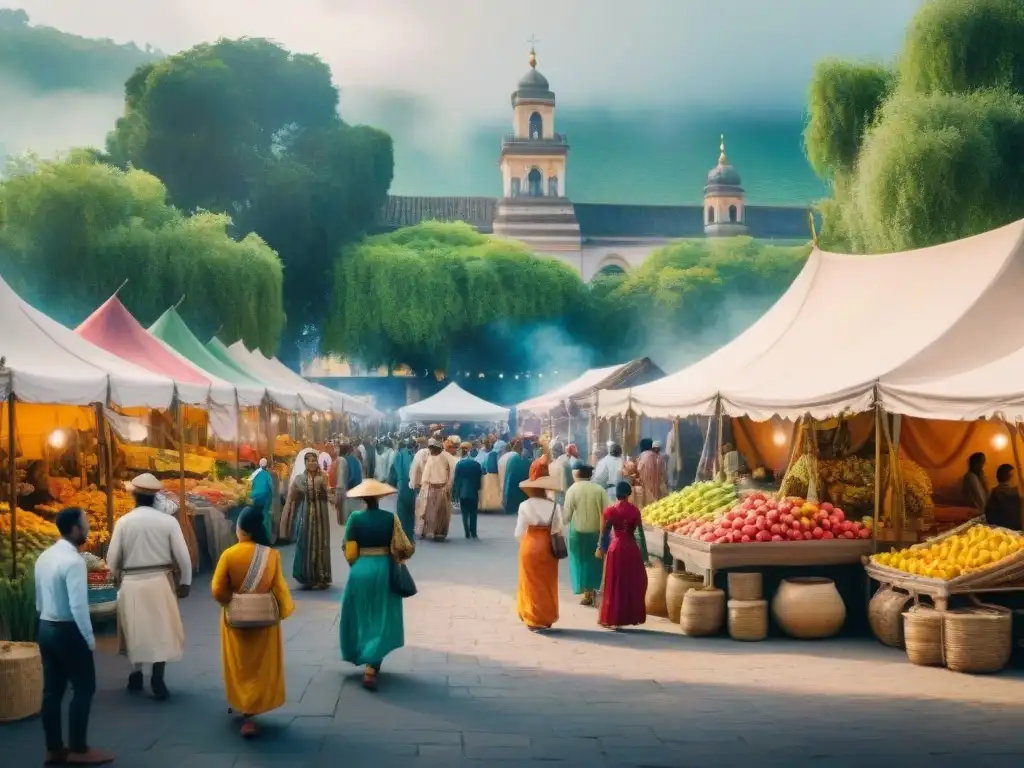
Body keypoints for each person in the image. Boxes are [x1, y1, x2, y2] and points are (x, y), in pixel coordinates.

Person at [36, 507, 114, 766]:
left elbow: (39, 600)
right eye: (85, 524)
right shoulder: (74, 561)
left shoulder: (44, 557)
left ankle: (54, 747)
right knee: (83, 688)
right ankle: (79, 749)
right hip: (68, 629)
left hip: (46, 625)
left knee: (52, 691)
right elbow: (79, 606)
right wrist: (89, 639)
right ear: (75, 529)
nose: (89, 528)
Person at [211, 506, 295, 738]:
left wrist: (233, 601)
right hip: (265, 622)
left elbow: (218, 590)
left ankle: (244, 708)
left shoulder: (229, 554)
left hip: (236, 621)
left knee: (239, 664)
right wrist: (283, 611)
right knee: (260, 665)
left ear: (242, 530)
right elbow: (280, 590)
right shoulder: (271, 555)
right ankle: (254, 707)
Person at [106, 473, 192, 701]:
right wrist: (186, 581)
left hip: (132, 582)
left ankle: (135, 674)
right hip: (160, 582)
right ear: (156, 497)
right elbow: (183, 556)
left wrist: (116, 578)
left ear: (134, 496)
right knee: (160, 629)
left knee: (135, 628)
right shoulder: (168, 522)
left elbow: (112, 559)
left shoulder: (123, 522)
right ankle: (157, 676)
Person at [340, 479, 415, 691]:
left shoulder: (354, 518)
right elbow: (404, 548)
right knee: (381, 616)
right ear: (380, 498)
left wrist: (357, 565)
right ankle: (372, 666)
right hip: (384, 568)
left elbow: (349, 550)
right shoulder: (390, 518)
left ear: (362, 499)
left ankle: (365, 655)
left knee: (361, 614)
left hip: (360, 570)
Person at [514, 476, 565, 631]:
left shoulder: (524, 505)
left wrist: (524, 545)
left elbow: (518, 532)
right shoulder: (554, 506)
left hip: (529, 545)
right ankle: (546, 617)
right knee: (547, 583)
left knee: (530, 582)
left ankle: (531, 616)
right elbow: (558, 529)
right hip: (547, 546)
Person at [596, 481, 648, 630]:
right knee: (631, 582)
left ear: (617, 494)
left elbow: (605, 533)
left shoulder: (610, 511)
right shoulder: (635, 511)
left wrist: (601, 548)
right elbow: (640, 536)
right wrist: (645, 557)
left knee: (614, 582)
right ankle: (628, 616)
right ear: (629, 494)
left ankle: (613, 617)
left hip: (616, 549)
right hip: (631, 549)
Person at [282, 448, 332, 590]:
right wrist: (287, 516)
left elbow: (328, 494)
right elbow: (291, 498)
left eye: (314, 460)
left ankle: (321, 576)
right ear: (304, 463)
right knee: (306, 541)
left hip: (322, 515)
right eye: (309, 461)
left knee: (321, 542)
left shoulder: (323, 477)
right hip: (306, 513)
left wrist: (332, 496)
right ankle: (307, 575)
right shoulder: (299, 479)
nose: (312, 463)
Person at [563, 465, 607, 606]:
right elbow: (606, 512)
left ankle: (586, 593)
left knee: (579, 562)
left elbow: (566, 516)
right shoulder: (599, 489)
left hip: (577, 533)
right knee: (594, 563)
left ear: (577, 474)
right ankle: (593, 590)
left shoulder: (572, 489)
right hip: (595, 533)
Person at [413, 439, 453, 541]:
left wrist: (448, 486)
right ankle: (424, 531)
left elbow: (451, 474)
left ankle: (439, 532)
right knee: (426, 511)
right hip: (429, 488)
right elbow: (424, 474)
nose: (431, 450)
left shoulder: (446, 457)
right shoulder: (428, 458)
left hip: (442, 489)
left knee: (441, 513)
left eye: (433, 448)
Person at [388, 439, 417, 540]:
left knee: (402, 510)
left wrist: (392, 483)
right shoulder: (415, 456)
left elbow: (394, 471)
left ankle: (402, 533)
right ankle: (409, 533)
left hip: (402, 485)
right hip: (412, 486)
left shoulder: (399, 455)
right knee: (411, 510)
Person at [453, 442, 484, 539]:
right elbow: (479, 479)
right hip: (473, 492)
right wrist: (478, 488)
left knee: (465, 513)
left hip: (463, 492)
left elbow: (456, 480)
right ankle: (473, 532)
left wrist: (455, 493)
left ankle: (466, 532)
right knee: (473, 513)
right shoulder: (476, 465)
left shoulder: (459, 464)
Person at [985, 463, 1022, 530]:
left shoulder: (994, 491)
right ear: (1011, 474)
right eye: (1015, 474)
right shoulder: (1013, 494)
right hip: (1013, 533)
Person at [247, 457, 275, 544]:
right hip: (265, 499)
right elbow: (271, 487)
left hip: (254, 498)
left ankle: (256, 539)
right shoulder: (267, 475)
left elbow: (248, 484)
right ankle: (266, 539)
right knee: (265, 518)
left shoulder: (254, 473)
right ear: (267, 466)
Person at [636, 439, 667, 510]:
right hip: (658, 493)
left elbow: (638, 473)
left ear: (641, 447)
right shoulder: (659, 458)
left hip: (646, 493)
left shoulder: (642, 458)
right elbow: (664, 475)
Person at [503, 440, 530, 516]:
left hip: (514, 484)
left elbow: (509, 475)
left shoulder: (512, 459)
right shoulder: (522, 459)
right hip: (522, 485)